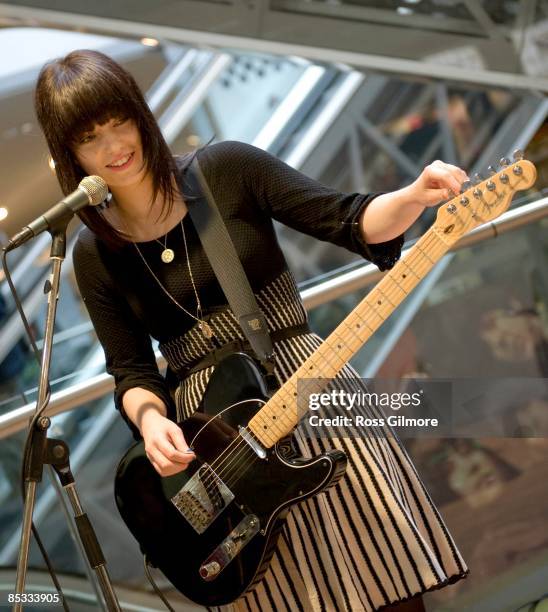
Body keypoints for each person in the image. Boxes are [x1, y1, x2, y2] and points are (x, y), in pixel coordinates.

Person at [34, 49, 469, 612]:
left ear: (140, 115)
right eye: (91, 137)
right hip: (215, 443)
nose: (115, 146)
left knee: (384, 578)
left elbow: (348, 216)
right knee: (289, 595)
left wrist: (414, 196)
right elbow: (132, 371)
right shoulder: (93, 255)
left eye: (120, 122)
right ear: (69, 155)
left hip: (310, 391)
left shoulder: (226, 169)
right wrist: (150, 421)